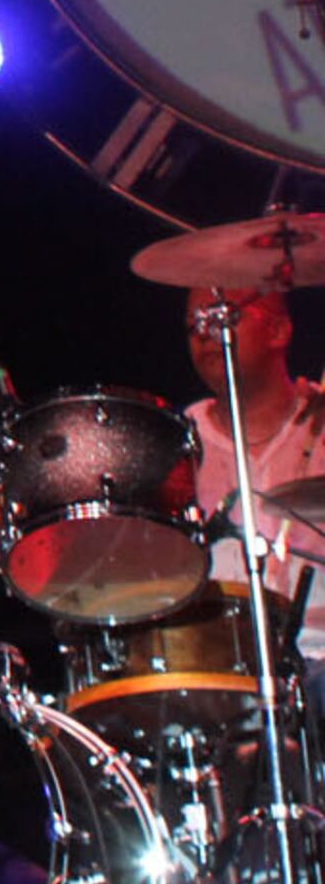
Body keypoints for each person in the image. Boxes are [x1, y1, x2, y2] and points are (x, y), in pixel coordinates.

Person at [183, 280, 325, 699]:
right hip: (217, 679)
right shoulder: (175, 447)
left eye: (224, 318)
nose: (205, 333)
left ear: (279, 330)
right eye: (194, 324)